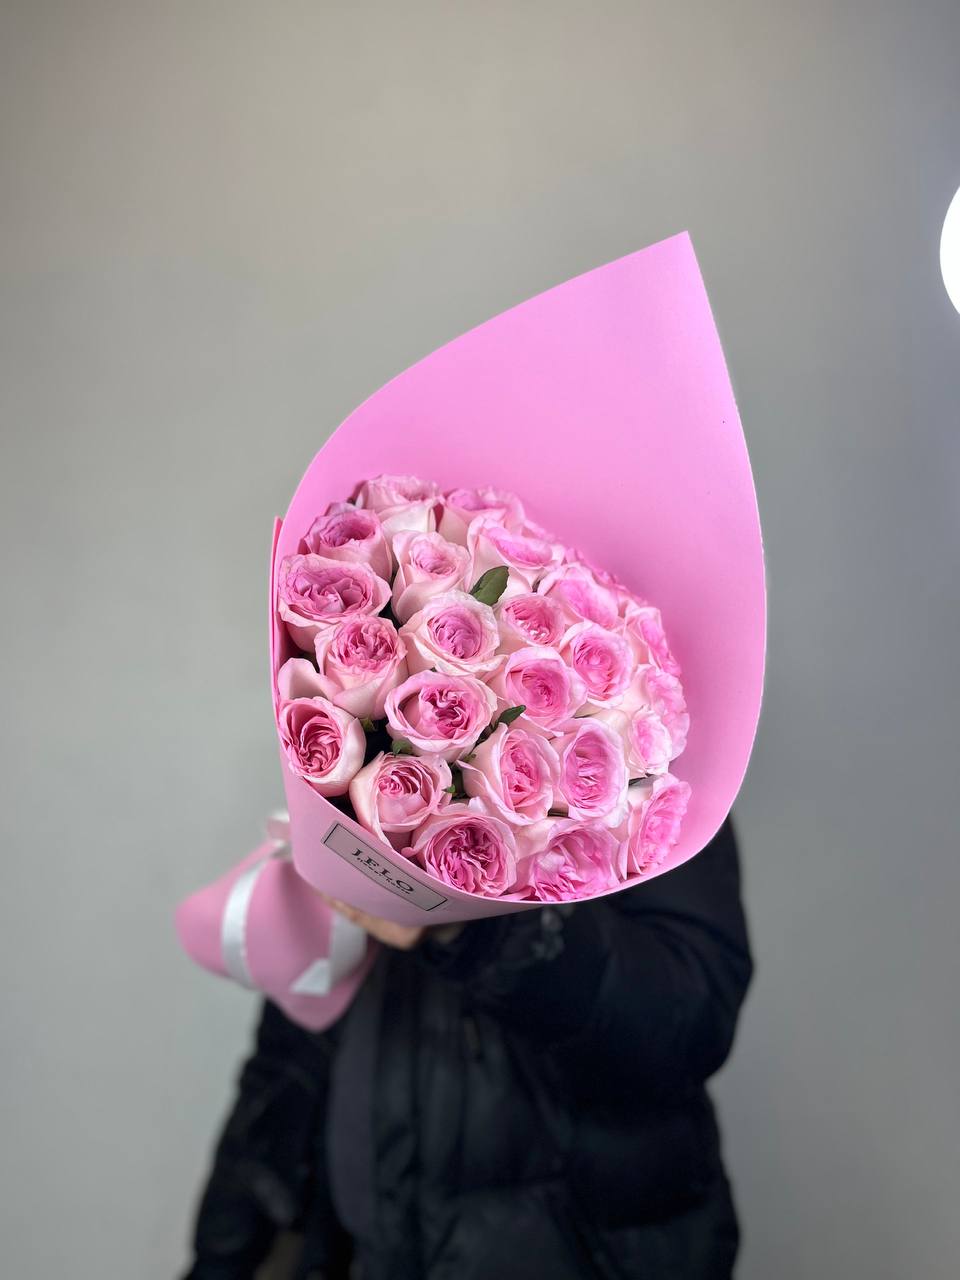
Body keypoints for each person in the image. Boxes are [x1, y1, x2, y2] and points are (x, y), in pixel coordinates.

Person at [181, 813, 753, 1280]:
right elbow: (290, 1066)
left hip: (581, 1253)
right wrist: (222, 1258)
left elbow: (688, 1023)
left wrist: (474, 920)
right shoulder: (361, 768)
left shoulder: (652, 781)